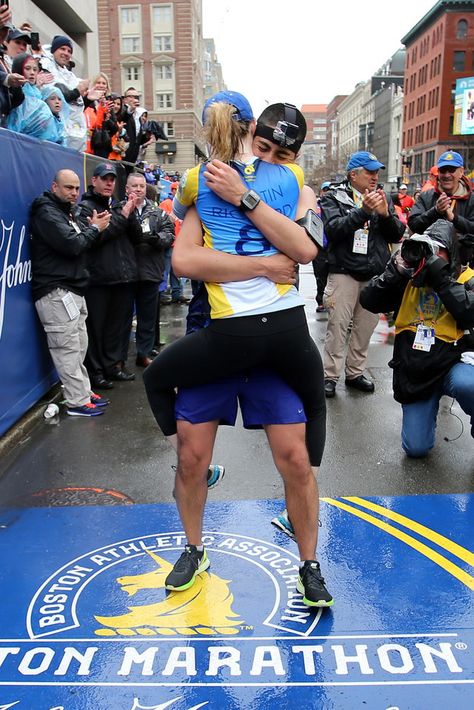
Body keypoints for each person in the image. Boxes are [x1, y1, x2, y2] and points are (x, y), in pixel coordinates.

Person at [144, 91, 331, 607]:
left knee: (296, 460)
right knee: (191, 456)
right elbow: (185, 263)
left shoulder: (296, 188)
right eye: (263, 147)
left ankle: (309, 563)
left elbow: (305, 250)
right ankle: (194, 548)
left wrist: (246, 201)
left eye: (282, 154)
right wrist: (264, 266)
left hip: (275, 339)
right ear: (247, 135)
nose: (269, 159)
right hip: (216, 333)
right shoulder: (200, 187)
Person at [360, 221, 474, 457]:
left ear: (451, 253)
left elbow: (468, 312)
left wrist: (441, 279)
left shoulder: (466, 277)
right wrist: (396, 271)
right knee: (416, 448)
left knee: (469, 384)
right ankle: (425, 415)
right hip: (417, 369)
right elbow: (369, 300)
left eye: (437, 249)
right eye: (424, 247)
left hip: (453, 364)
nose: (429, 254)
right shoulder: (406, 278)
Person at [320, 150, 405, 398]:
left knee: (364, 328)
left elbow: (396, 233)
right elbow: (333, 231)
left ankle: (355, 372)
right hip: (343, 273)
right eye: (369, 171)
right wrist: (363, 212)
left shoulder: (384, 198)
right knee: (337, 327)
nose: (375, 176)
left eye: (377, 171)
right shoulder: (333, 197)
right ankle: (330, 376)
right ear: (353, 174)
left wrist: (385, 214)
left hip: (373, 275)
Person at [30, 169, 111, 416]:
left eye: (76, 188)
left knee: (78, 345)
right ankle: (77, 401)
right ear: (55, 186)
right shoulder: (46, 212)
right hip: (56, 290)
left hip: (73, 289)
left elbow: (81, 246)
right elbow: (72, 245)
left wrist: (92, 230)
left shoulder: (68, 212)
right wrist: (94, 230)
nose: (74, 193)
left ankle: (83, 392)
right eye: (68, 188)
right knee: (66, 348)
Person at [76, 162, 142, 389]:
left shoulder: (119, 206)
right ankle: (96, 373)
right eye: (104, 179)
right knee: (96, 329)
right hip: (98, 280)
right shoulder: (85, 207)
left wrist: (130, 215)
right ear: (94, 180)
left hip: (124, 277)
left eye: (112, 179)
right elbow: (94, 239)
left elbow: (137, 237)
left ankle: (115, 366)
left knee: (119, 327)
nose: (109, 183)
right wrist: (122, 217)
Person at [124, 172, 174, 367]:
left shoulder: (158, 212)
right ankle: (118, 360)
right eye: (134, 186)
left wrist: (156, 239)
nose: (138, 189)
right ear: (127, 188)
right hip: (125, 273)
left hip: (149, 272)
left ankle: (143, 354)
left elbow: (169, 235)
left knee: (147, 318)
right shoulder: (120, 209)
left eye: (142, 186)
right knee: (122, 320)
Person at [39, 35, 90, 151]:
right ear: (53, 50)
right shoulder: (46, 66)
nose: (66, 53)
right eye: (62, 49)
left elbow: (76, 106)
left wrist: (88, 98)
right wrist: (78, 90)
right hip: (55, 132)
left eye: (69, 51)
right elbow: (56, 96)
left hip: (75, 135)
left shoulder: (70, 75)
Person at [408, 151, 474, 237]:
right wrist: (435, 211)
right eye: (443, 171)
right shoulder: (425, 196)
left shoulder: (471, 199)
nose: (447, 175)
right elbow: (413, 225)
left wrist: (455, 219)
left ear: (461, 172)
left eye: (451, 170)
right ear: (438, 173)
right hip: (431, 249)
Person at [159, 182, 188, 304]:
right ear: (172, 191)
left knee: (176, 270)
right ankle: (161, 294)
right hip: (168, 242)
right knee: (165, 269)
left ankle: (176, 293)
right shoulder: (166, 203)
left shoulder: (183, 204)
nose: (177, 192)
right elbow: (159, 220)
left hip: (177, 242)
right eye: (176, 190)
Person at [313, 181, 331, 313]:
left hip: (334, 247)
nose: (327, 192)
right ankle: (321, 301)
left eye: (329, 190)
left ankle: (332, 302)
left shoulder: (339, 206)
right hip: (319, 247)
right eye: (325, 189)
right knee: (320, 275)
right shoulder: (315, 207)